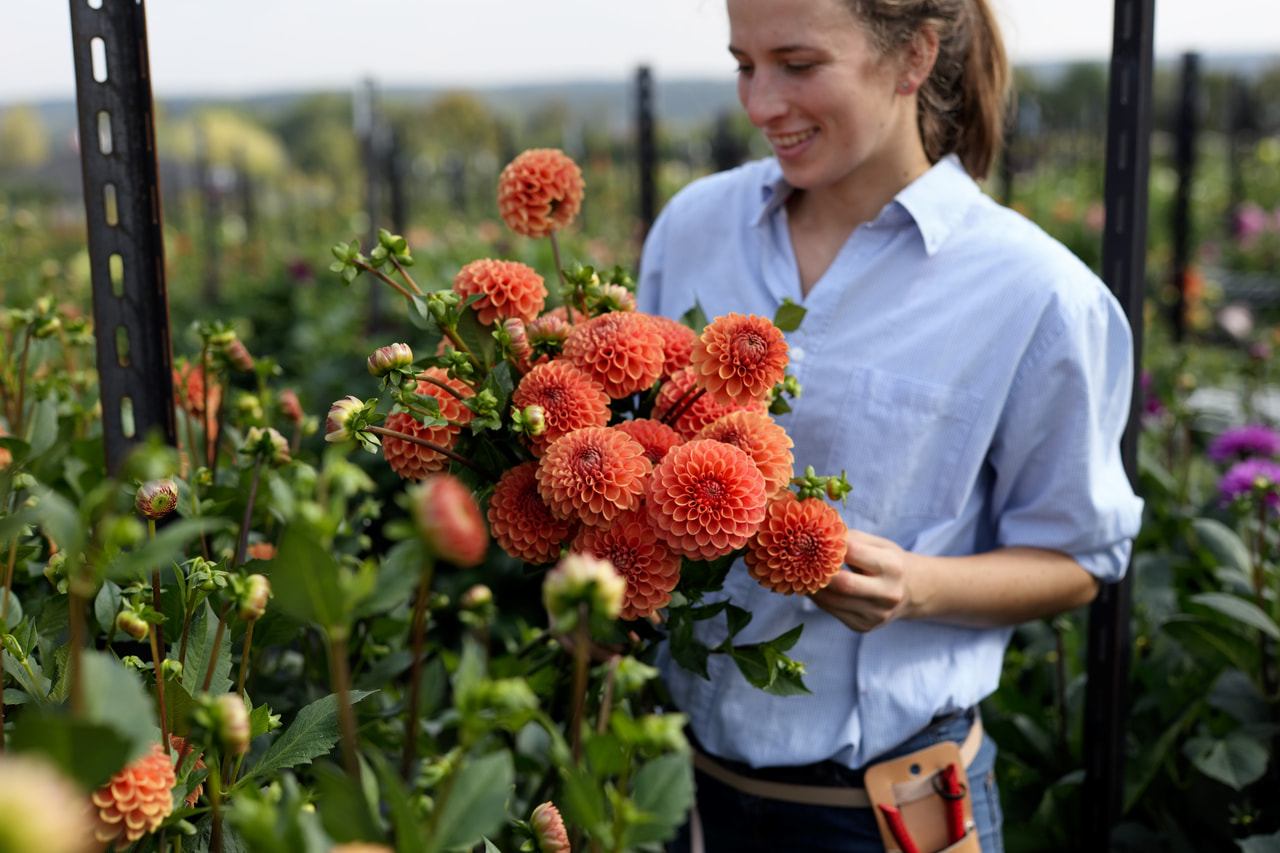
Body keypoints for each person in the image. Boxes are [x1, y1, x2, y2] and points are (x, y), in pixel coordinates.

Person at [635, 0, 1144, 850]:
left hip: (883, 815)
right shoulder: (693, 228)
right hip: (678, 792)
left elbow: (1081, 558)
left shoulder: (1036, 294)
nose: (760, 104)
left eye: (798, 65)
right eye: (743, 64)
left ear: (914, 56)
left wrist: (915, 585)